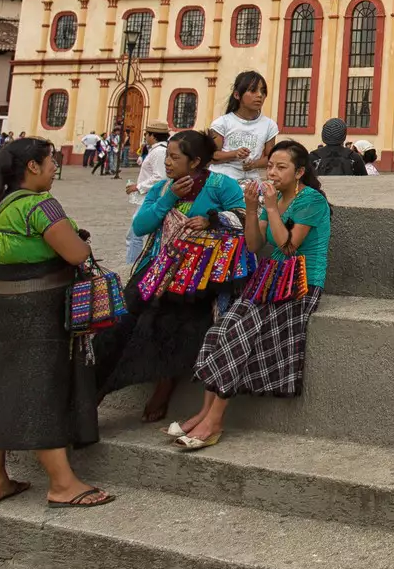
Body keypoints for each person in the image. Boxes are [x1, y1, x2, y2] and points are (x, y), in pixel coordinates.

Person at [0, 137, 112, 509]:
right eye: (51, 161)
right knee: (41, 389)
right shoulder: (41, 206)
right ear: (32, 167)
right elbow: (75, 253)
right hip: (37, 310)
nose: (56, 167)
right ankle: (62, 483)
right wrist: (81, 241)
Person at [177, 141, 331, 450]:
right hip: (270, 280)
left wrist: (271, 208)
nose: (272, 172)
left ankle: (216, 419)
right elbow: (253, 244)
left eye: (281, 167)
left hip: (300, 284)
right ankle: (205, 411)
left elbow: (288, 247)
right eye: (270, 166)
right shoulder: (270, 200)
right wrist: (251, 208)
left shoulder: (311, 201)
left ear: (299, 172)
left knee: (241, 332)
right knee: (222, 326)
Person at [96, 128, 245, 424]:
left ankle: (165, 384)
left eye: (175, 158)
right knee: (122, 319)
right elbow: (141, 227)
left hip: (197, 277)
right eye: (168, 157)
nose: (167, 163)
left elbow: (242, 217)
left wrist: (211, 220)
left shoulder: (221, 185)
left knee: (172, 320)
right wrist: (168, 200)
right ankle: (97, 388)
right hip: (157, 268)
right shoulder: (163, 188)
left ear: (195, 162)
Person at [209, 71, 278, 184]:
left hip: (251, 182)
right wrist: (234, 154)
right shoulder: (222, 123)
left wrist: (254, 164)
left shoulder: (269, 125)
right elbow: (211, 156)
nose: (260, 95)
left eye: (263, 91)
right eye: (253, 91)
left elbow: (270, 158)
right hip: (221, 180)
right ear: (237, 95)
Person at [124, 125, 170, 264]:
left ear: (152, 135)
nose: (145, 137)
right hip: (149, 198)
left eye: (146, 134)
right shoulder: (156, 151)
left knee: (135, 234)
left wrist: (138, 186)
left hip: (151, 198)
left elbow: (160, 177)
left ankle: (132, 265)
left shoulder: (159, 152)